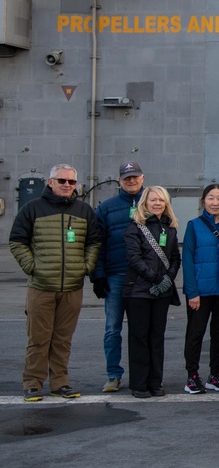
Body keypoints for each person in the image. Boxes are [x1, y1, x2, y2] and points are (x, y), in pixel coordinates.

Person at [10, 164, 101, 401]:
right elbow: (17, 242)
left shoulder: (84, 211)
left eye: (71, 182)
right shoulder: (32, 209)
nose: (67, 185)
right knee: (38, 338)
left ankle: (60, 383)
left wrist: (86, 267)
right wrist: (33, 267)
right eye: (62, 181)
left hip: (72, 287)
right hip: (41, 287)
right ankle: (32, 383)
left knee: (62, 339)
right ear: (50, 182)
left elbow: (93, 242)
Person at [92, 160, 146, 393]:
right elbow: (97, 243)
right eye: (126, 178)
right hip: (115, 276)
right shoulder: (107, 208)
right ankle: (113, 374)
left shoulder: (153, 203)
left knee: (141, 330)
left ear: (142, 178)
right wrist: (98, 275)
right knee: (113, 328)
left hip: (144, 277)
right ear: (120, 181)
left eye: (135, 176)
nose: (131, 181)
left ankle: (142, 375)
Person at [123, 186, 181, 398]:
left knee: (157, 338)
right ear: (144, 203)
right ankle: (139, 384)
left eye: (161, 200)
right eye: (153, 200)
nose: (157, 203)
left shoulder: (170, 228)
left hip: (162, 293)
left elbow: (175, 258)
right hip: (138, 291)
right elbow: (134, 259)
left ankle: (155, 382)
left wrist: (167, 280)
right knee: (139, 338)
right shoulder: (135, 228)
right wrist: (156, 278)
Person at [181, 184, 219, 394]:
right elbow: (187, 259)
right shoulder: (194, 225)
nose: (215, 203)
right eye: (211, 198)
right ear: (203, 201)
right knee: (195, 334)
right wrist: (192, 292)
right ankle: (192, 375)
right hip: (200, 293)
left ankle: (215, 374)